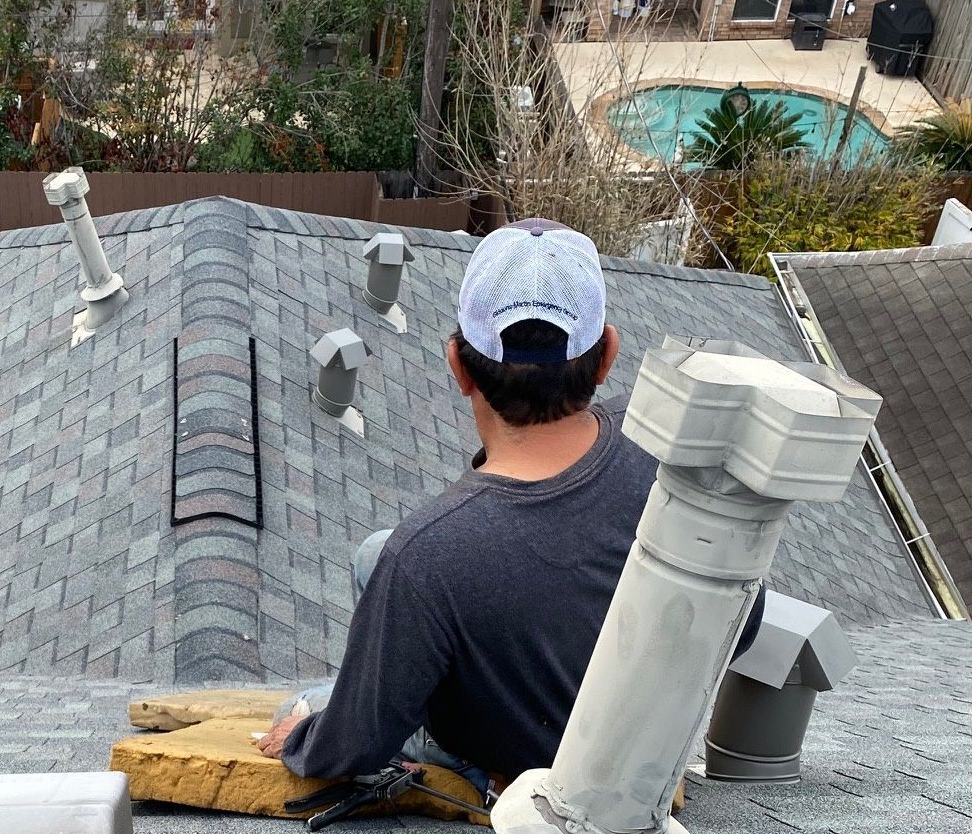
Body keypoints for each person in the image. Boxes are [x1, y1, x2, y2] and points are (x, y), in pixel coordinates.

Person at [256, 218, 761, 792]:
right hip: (645, 747)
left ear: (458, 366)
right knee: (380, 556)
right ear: (607, 356)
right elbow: (741, 622)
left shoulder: (431, 552)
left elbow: (350, 748)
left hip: (524, 765)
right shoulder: (669, 448)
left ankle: (458, 761)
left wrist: (306, 736)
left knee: (306, 706)